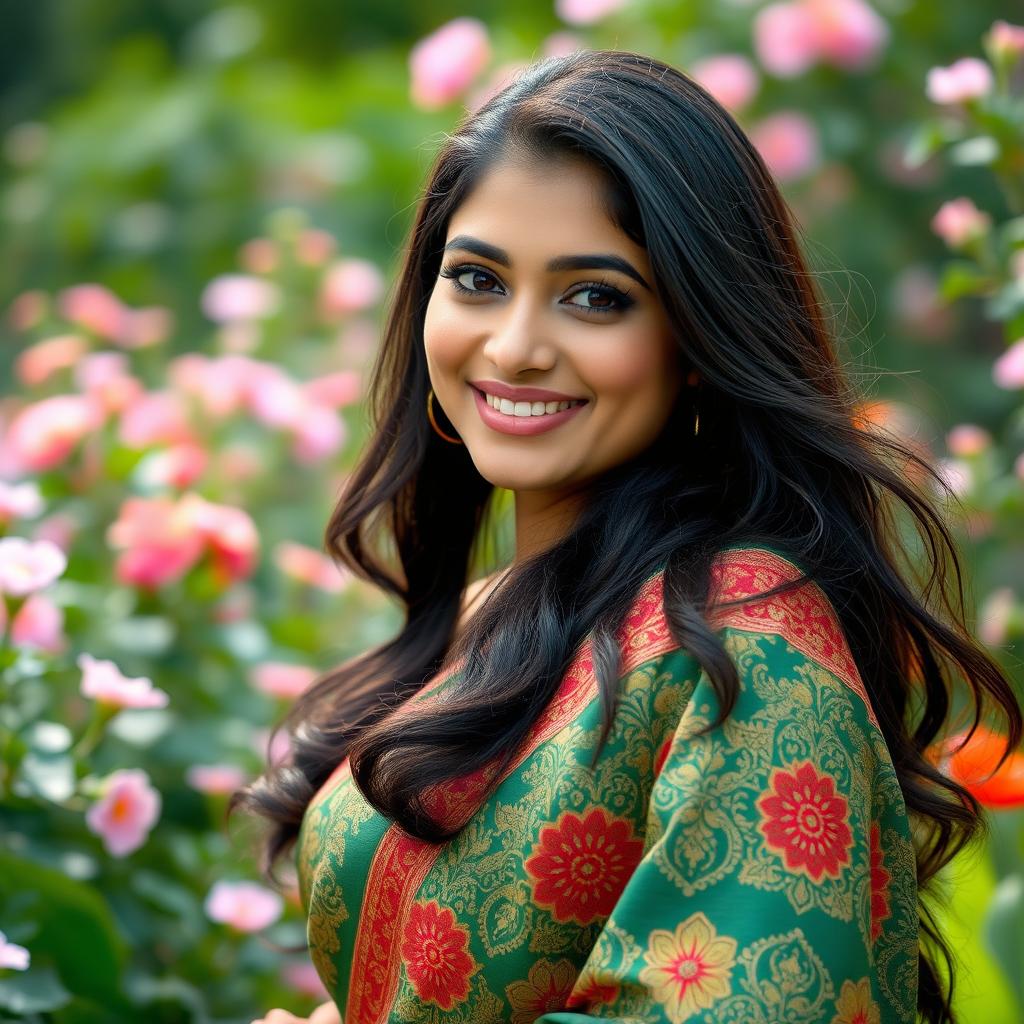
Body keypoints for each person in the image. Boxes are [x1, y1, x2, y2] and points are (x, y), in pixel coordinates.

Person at [233, 48, 1022, 1024]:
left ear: (696, 339)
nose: (515, 345)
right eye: (477, 279)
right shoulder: (479, 621)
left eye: (594, 296)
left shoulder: (739, 638)